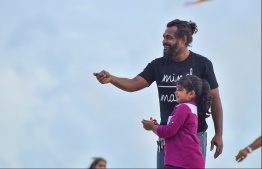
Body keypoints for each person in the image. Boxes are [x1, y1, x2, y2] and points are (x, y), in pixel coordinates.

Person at [93, 19, 223, 168]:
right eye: (163, 37)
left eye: (169, 38)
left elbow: (215, 99)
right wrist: (112, 79)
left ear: (183, 39)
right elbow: (134, 83)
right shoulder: (158, 65)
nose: (163, 41)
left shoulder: (202, 64)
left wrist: (219, 134)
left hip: (195, 136)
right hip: (167, 136)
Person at [142, 75, 211, 168]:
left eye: (179, 89)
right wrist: (158, 127)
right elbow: (175, 132)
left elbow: (169, 131)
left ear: (191, 94)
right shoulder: (191, 108)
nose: (175, 92)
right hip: (188, 162)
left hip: (184, 162)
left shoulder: (184, 108)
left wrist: (152, 127)